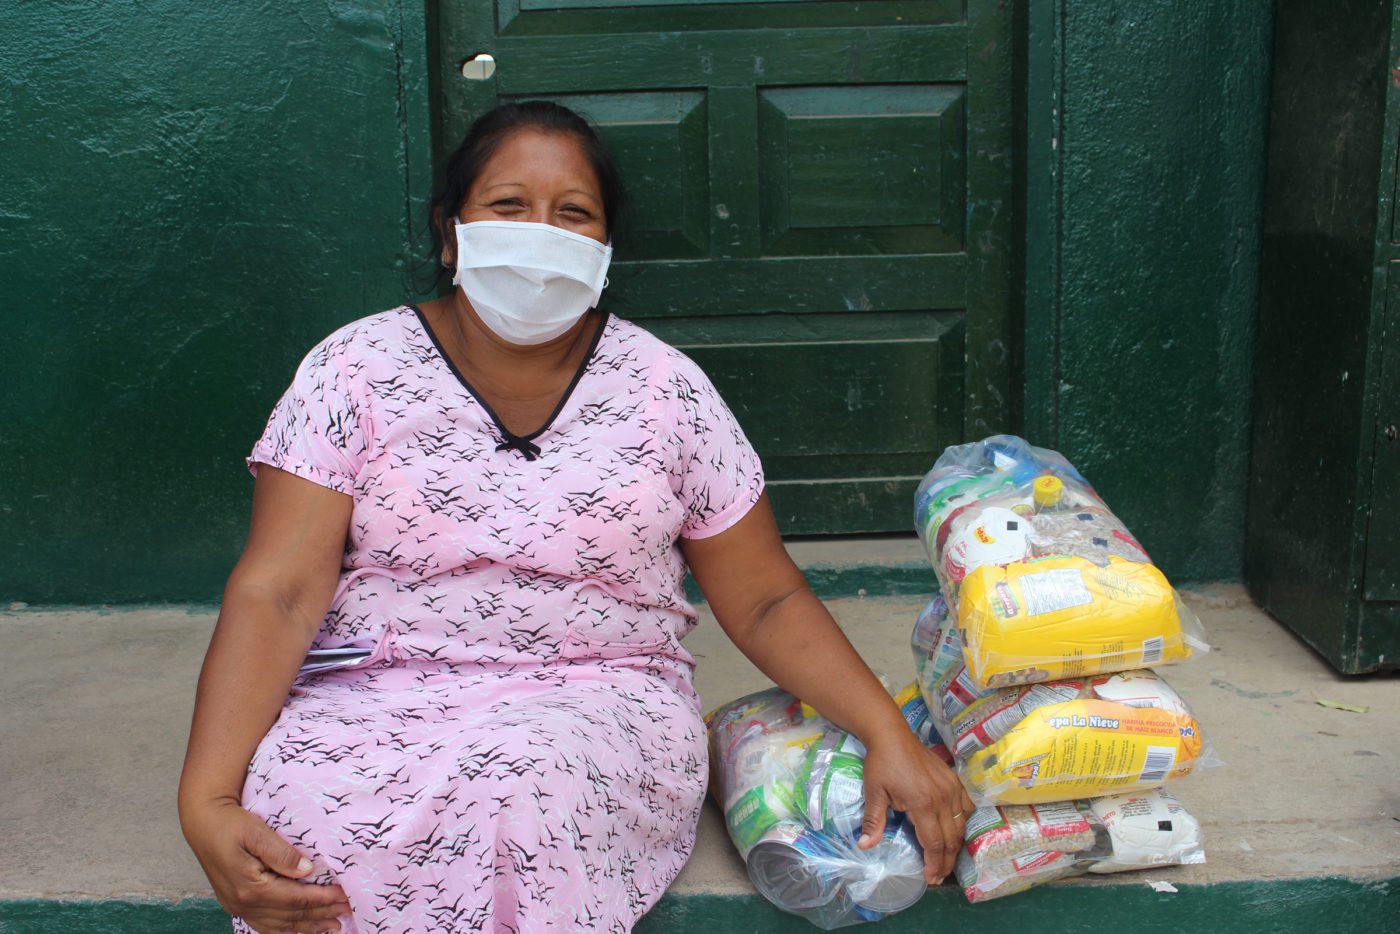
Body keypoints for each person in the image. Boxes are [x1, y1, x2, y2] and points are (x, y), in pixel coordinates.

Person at [178, 100, 973, 934]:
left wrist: (890, 733)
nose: (539, 234)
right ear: (451, 233)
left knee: (524, 790)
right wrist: (207, 798)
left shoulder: (666, 391)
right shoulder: (354, 371)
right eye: (508, 206)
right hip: (372, 691)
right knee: (314, 819)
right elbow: (279, 593)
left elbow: (766, 599)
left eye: (573, 214)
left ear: (603, 250)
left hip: (601, 699)